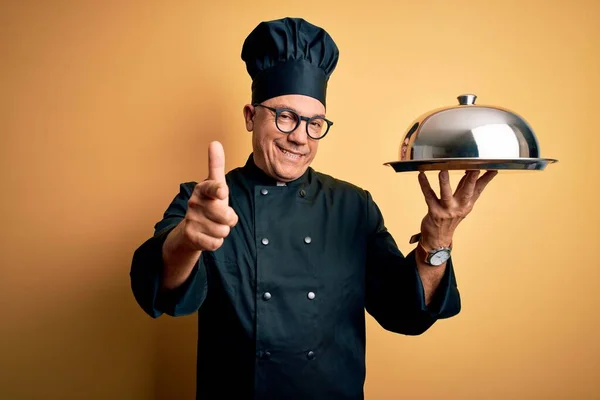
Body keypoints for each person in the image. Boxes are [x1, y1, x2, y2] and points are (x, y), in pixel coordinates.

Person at [129, 17, 497, 400]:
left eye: (315, 123)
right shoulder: (204, 201)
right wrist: (187, 241)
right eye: (285, 116)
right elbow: (162, 293)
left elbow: (404, 311)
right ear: (251, 116)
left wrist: (437, 242)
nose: (300, 137)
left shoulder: (353, 206)